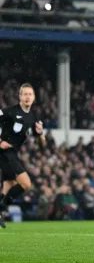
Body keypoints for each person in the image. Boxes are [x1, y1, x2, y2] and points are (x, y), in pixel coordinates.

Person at [0, 83, 46, 228]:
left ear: (34, 98)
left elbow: (41, 145)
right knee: (26, 184)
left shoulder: (33, 117)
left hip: (12, 152)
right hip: (4, 152)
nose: (27, 97)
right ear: (20, 97)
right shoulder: (9, 112)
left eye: (30, 94)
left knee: (9, 186)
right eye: (24, 94)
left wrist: (40, 134)